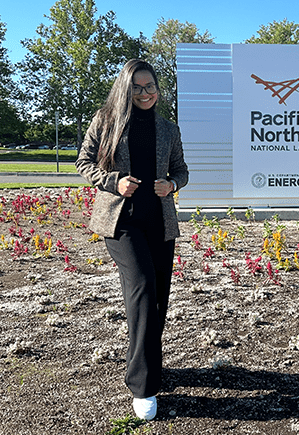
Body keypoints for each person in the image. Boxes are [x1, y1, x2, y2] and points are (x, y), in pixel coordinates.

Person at [75, 58, 188, 421]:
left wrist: (170, 185)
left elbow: (182, 171)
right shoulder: (106, 121)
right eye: (138, 87)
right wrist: (114, 181)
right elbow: (84, 163)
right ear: (126, 88)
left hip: (159, 222)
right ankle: (143, 386)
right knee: (141, 288)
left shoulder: (169, 129)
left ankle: (149, 363)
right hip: (121, 224)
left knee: (158, 301)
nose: (145, 93)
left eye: (151, 86)